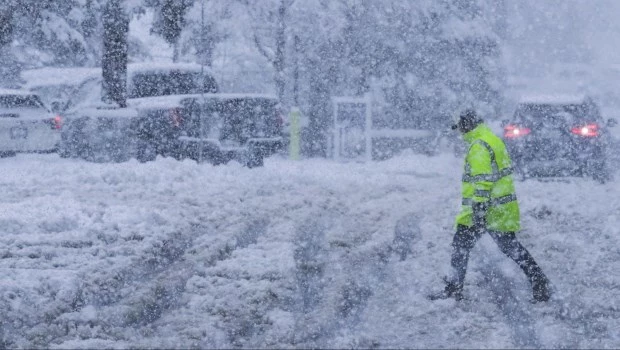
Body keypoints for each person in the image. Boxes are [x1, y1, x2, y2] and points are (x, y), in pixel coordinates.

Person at [429, 109, 551, 303]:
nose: (459, 132)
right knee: (510, 247)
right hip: (500, 208)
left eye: (460, 127)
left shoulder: (478, 146)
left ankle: (453, 290)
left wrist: (478, 211)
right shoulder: (492, 139)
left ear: (467, 125)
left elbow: (483, 182)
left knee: (460, 247)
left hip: (483, 209)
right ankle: (540, 282)